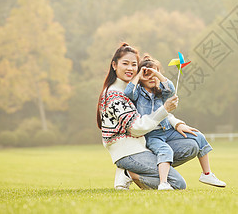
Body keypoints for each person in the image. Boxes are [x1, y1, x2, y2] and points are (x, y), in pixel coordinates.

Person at [97, 43, 200, 190]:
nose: (130, 68)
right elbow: (136, 128)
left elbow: (152, 111)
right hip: (128, 151)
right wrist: (164, 109)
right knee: (178, 184)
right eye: (125, 63)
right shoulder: (114, 94)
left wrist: (176, 123)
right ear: (114, 65)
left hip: (144, 144)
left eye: (134, 65)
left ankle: (139, 171)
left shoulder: (134, 89)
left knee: (191, 146)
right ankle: (129, 172)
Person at [124, 54, 226, 190]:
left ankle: (206, 173)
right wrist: (138, 75)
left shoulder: (160, 93)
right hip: (152, 134)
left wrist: (156, 73)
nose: (151, 77)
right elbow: (128, 92)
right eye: (147, 74)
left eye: (155, 73)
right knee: (165, 151)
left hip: (167, 130)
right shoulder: (138, 94)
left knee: (199, 136)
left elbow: (170, 88)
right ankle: (163, 182)